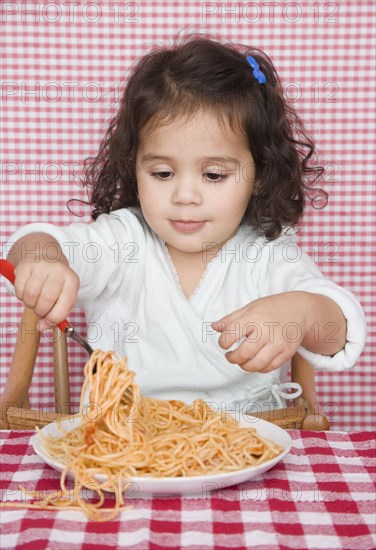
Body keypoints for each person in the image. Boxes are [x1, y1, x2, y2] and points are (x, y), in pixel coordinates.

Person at [5, 36, 366, 413]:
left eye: (213, 175)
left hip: (250, 439)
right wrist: (42, 260)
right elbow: (33, 242)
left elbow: (338, 330)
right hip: (122, 438)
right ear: (135, 167)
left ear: (259, 173)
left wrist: (302, 311)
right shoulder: (122, 240)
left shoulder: (266, 253)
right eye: (162, 173)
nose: (185, 196)